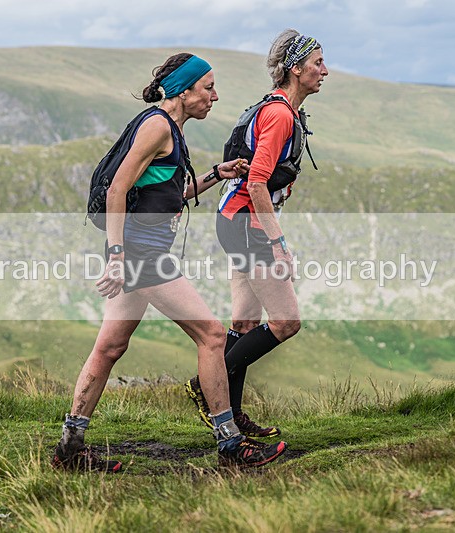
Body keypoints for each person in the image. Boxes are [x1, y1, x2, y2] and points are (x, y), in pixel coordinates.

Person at [52, 53, 288, 472]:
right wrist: (117, 257)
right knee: (214, 336)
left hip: (141, 251)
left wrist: (217, 173)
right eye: (208, 87)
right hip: (142, 255)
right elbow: (117, 190)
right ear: (184, 90)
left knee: (109, 347)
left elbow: (167, 195)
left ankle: (69, 449)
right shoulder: (158, 126)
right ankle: (230, 445)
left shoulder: (169, 129)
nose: (215, 96)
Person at [185, 30, 328, 438]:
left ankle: (230, 416)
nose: (325, 70)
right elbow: (258, 184)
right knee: (285, 322)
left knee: (245, 325)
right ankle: (207, 382)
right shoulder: (281, 114)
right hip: (246, 223)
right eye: (317, 62)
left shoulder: (282, 110)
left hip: (235, 221)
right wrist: (279, 245)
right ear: (295, 69)